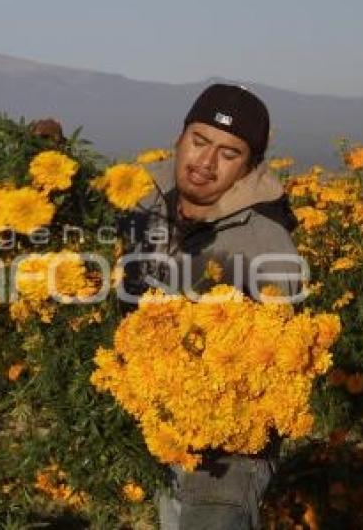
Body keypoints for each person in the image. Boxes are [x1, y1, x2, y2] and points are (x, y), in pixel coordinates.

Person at [116, 83, 308, 529]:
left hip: (227, 453)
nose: (205, 162)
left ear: (249, 166)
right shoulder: (148, 204)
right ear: (179, 137)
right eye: (199, 141)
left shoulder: (265, 241)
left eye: (228, 152)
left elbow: (278, 364)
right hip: (165, 427)